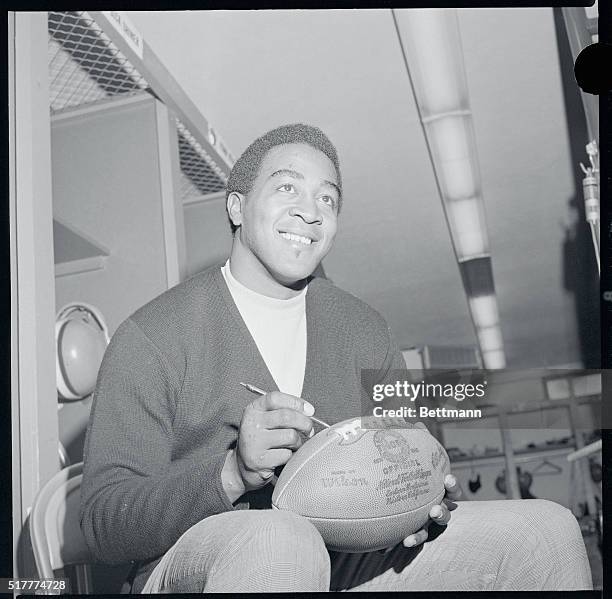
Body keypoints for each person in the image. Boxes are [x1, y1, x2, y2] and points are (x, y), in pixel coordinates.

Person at [80, 124, 593, 593]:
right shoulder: (152, 336)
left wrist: (419, 499)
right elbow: (103, 526)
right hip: (188, 565)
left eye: (328, 198)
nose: (311, 209)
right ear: (236, 207)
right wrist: (232, 472)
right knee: (279, 540)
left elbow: (405, 450)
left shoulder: (364, 329)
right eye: (287, 188)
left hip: (342, 560)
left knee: (544, 531)